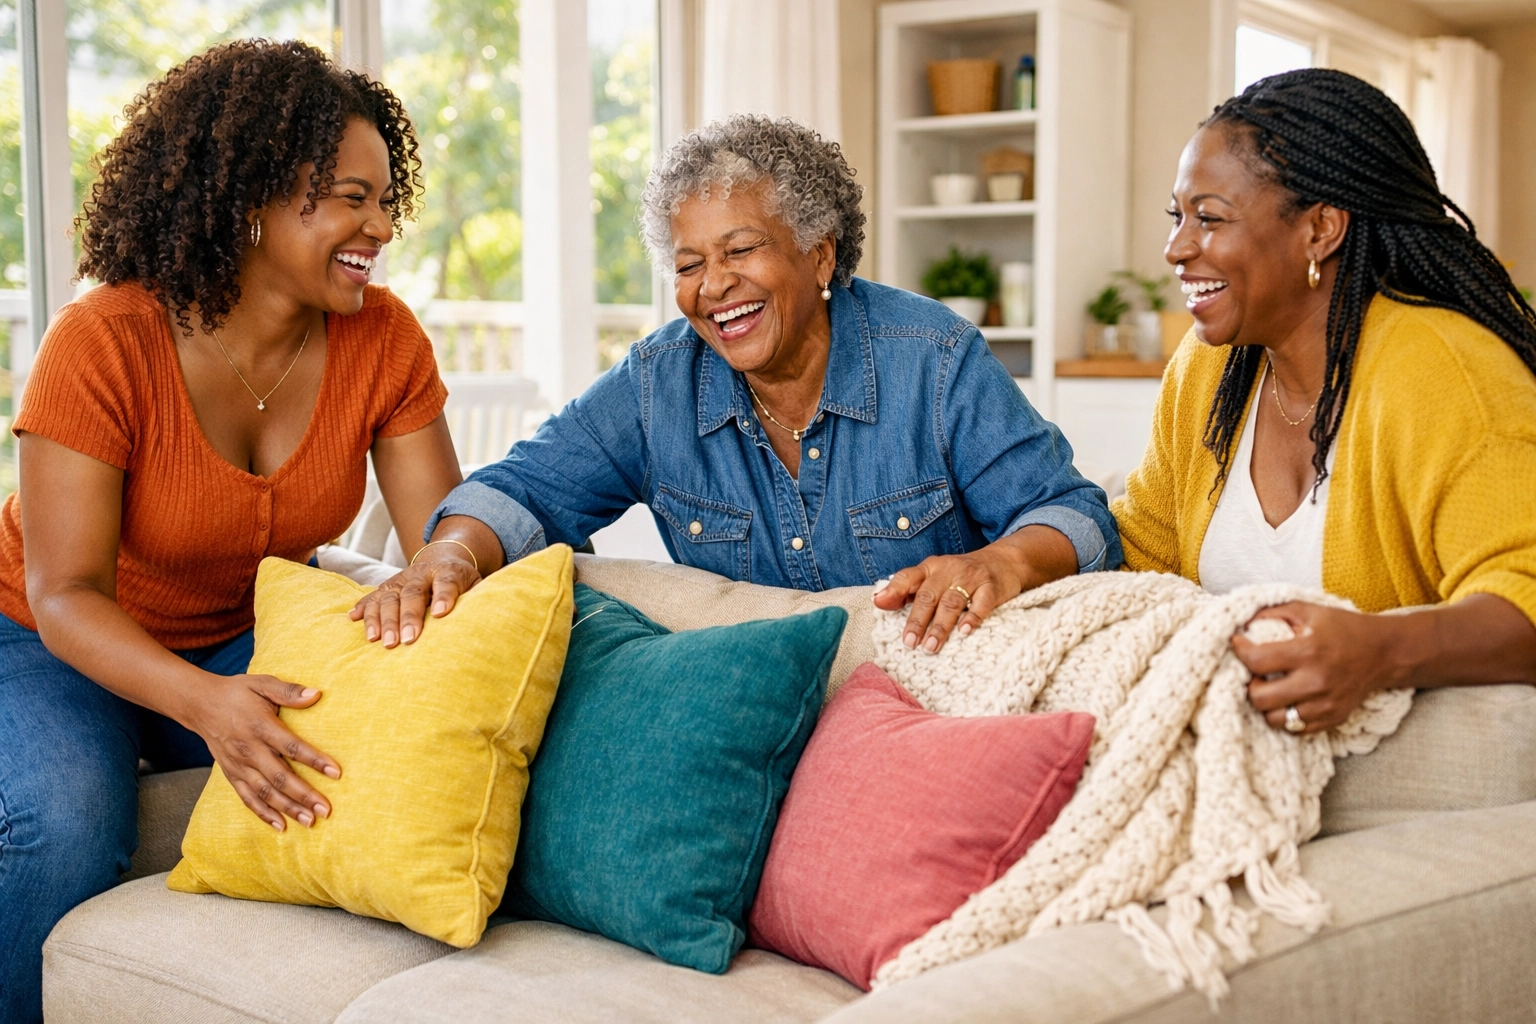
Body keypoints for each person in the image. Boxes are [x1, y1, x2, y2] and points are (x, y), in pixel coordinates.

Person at [0, 40, 462, 1022]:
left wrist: (428, 581)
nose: (380, 227)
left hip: (234, 629)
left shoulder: (384, 339)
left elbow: (444, 538)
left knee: (388, 754)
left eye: (386, 200)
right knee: (66, 816)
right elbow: (62, 591)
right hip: (39, 635)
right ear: (253, 194)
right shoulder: (103, 342)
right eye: (350, 197)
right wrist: (207, 704)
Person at [354, 114, 1118, 654]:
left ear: (820, 257)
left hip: (936, 690)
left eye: (742, 250)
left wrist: (1006, 561)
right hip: (769, 717)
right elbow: (524, 489)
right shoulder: (659, 383)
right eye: (689, 265)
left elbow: (1076, 515)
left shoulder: (932, 355)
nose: (715, 287)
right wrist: (450, 553)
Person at [1115, 68, 1536, 739]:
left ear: (1321, 230)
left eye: (1210, 218)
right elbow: (1141, 549)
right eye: (1178, 217)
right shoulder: (1209, 367)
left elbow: (1527, 596)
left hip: (1406, 774)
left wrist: (1379, 650)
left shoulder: (1443, 371)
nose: (1176, 248)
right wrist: (1017, 553)